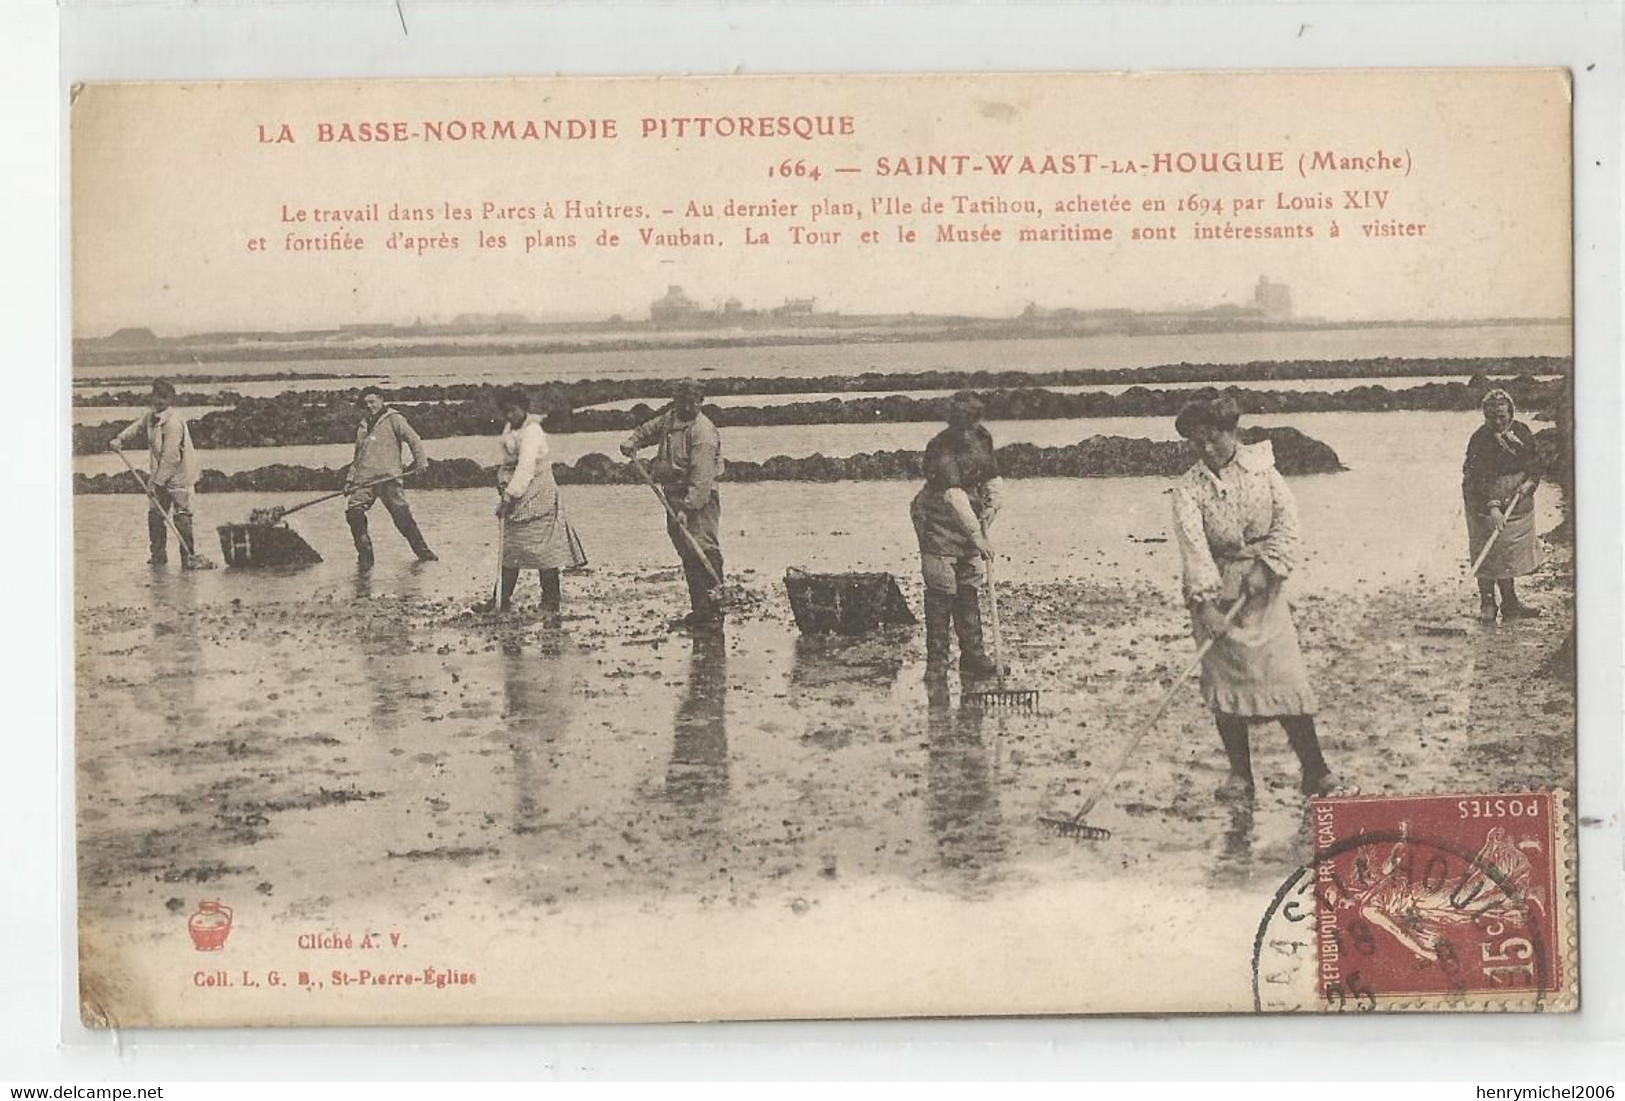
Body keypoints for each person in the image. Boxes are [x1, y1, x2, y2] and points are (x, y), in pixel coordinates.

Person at [1169, 395, 1334, 801]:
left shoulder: (1264, 471)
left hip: (1265, 589)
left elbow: (1288, 523)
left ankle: (1316, 771)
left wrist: (1267, 567)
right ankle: (1241, 777)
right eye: (1197, 443)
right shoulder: (1188, 488)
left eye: (1213, 439)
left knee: (1284, 677)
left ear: (1232, 432)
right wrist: (1206, 604)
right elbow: (1193, 547)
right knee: (1225, 684)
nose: (1207, 449)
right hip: (1219, 589)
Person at [910, 392, 1003, 679]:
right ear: (953, 422)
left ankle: (973, 657)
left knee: (969, 583)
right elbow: (953, 496)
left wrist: (993, 504)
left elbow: (991, 476)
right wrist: (977, 536)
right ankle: (936, 664)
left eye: (972, 421)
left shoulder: (982, 437)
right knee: (941, 586)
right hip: (937, 518)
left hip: (970, 512)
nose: (968, 429)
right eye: (963, 422)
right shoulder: (941, 446)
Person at [619, 379, 726, 629]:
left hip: (698, 499)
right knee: (687, 552)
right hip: (673, 493)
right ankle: (699, 609)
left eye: (693, 402)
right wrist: (633, 441)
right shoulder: (671, 418)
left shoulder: (703, 433)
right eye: (682, 402)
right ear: (675, 402)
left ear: (701, 402)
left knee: (703, 549)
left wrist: (687, 509)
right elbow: (649, 429)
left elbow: (701, 480)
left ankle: (714, 612)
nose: (687, 407)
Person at [475, 387, 587, 619]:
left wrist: (508, 498)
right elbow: (509, 460)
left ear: (524, 409)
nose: (509, 416)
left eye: (513, 411)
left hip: (538, 493)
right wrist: (503, 483)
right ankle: (501, 599)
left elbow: (525, 467)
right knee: (511, 548)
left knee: (544, 550)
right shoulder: (511, 427)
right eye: (505, 412)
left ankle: (551, 601)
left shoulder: (533, 431)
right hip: (518, 492)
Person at [1462, 388, 1543, 621]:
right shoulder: (1480, 438)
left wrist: (1530, 482)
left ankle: (1510, 603)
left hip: (1517, 500)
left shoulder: (1522, 431)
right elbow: (1477, 476)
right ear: (1485, 416)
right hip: (1482, 500)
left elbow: (1535, 462)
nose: (1498, 422)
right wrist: (1492, 505)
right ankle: (1487, 604)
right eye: (1492, 417)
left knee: (1506, 552)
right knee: (1486, 549)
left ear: (1510, 412)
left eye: (1502, 416)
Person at [108, 379, 205, 567]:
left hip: (179, 475)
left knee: (181, 514)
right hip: (160, 473)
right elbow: (136, 427)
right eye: (156, 396)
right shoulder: (151, 416)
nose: (159, 401)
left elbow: (171, 457)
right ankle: (158, 557)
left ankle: (188, 557)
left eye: (164, 397)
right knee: (155, 516)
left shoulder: (173, 423)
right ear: (152, 397)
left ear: (170, 399)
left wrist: (158, 484)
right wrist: (120, 438)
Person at [345, 386, 436, 568]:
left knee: (402, 517)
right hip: (364, 480)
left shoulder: (394, 419)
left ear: (381, 399)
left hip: (389, 478)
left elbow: (414, 439)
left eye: (373, 401)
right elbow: (357, 456)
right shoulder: (363, 425)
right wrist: (349, 480)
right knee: (354, 513)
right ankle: (366, 558)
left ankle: (425, 555)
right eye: (366, 403)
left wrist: (420, 462)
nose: (370, 406)